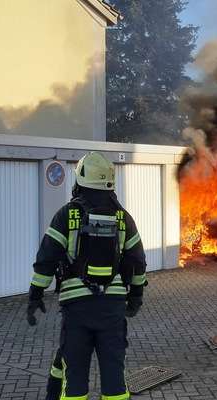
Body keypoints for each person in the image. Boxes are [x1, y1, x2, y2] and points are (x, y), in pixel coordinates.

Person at [27, 151, 147, 400]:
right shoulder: (123, 218)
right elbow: (137, 261)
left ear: (80, 181)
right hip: (112, 308)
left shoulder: (66, 215)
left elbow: (46, 258)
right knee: (115, 379)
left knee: (75, 380)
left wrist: (35, 295)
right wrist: (136, 295)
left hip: (77, 308)